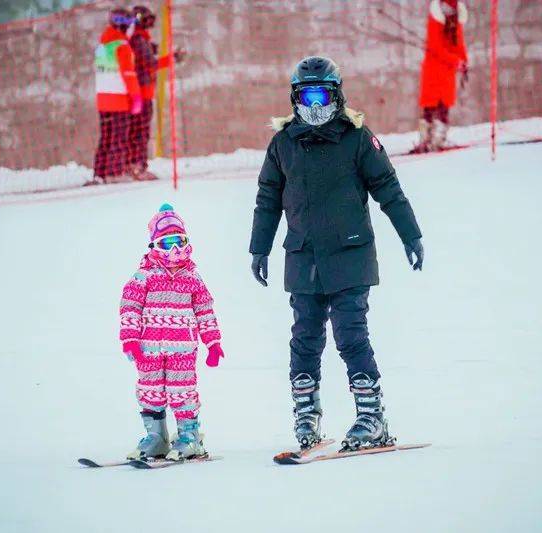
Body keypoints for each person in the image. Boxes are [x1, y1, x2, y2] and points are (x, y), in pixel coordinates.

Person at [249, 56, 425, 451]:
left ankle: (371, 418)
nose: (315, 105)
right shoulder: (283, 144)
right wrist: (259, 248)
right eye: (307, 95)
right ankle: (306, 418)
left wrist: (410, 234)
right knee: (305, 339)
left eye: (322, 94)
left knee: (351, 336)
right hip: (303, 257)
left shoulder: (358, 138)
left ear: (337, 94)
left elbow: (388, 188)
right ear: (295, 97)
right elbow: (267, 199)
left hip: (350, 256)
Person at [120, 204, 225, 461]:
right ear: (155, 245)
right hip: (148, 350)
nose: (175, 250)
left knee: (183, 391)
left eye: (179, 241)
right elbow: (130, 307)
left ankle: (189, 437)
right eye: (167, 243)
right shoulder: (143, 276)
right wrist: (130, 340)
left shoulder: (193, 278)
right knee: (150, 389)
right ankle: (156, 437)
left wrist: (213, 342)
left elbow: (205, 310)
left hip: (182, 351)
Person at [126, 5, 184, 181]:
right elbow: (150, 63)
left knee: (139, 132)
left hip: (143, 93)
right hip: (141, 94)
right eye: (147, 20)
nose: (150, 24)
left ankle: (135, 165)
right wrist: (171, 59)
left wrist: (170, 54)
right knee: (139, 132)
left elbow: (152, 51)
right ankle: (137, 166)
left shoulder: (141, 39)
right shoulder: (137, 40)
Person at [93, 8, 143, 183]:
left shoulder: (102, 45)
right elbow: (128, 73)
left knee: (106, 138)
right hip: (119, 99)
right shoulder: (122, 46)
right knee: (119, 138)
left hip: (103, 99)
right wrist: (136, 97)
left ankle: (100, 173)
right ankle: (115, 173)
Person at [411, 0, 468, 153]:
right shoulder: (436, 18)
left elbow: (459, 43)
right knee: (430, 107)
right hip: (434, 70)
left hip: (448, 71)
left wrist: (463, 60)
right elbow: (435, 47)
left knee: (444, 107)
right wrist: (457, 61)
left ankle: (436, 141)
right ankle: (426, 142)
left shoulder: (457, 16)